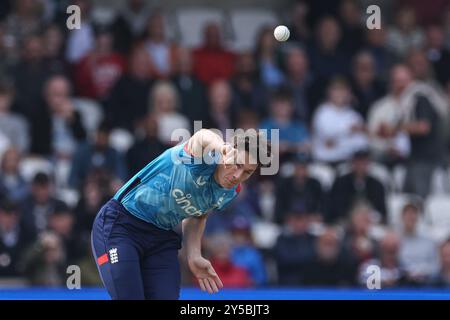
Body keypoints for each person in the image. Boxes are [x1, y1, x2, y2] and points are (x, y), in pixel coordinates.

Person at [91, 129, 272, 299]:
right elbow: (202, 137)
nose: (237, 176)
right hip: (122, 225)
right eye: (237, 164)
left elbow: (198, 214)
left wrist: (194, 255)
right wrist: (222, 147)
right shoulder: (202, 157)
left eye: (247, 172)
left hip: (161, 238)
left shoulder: (231, 191)